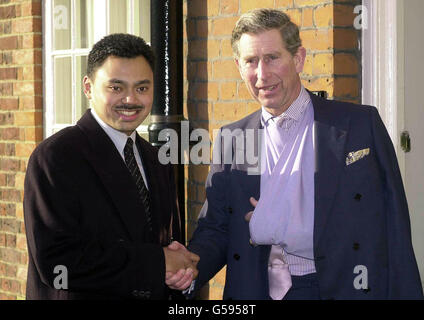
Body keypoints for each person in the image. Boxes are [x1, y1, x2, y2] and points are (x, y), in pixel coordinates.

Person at [177, 9, 423, 299]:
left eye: (272, 58)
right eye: (250, 61)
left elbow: (394, 222)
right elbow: (216, 228)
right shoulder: (233, 139)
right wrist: (187, 267)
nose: (261, 74)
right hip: (259, 291)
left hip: (341, 287)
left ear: (298, 59)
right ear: (238, 66)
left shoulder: (359, 125)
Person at [24, 33, 198, 300]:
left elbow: (166, 247)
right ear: (88, 87)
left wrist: (180, 276)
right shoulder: (56, 157)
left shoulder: (156, 159)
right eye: (116, 88)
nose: (130, 100)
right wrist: (158, 263)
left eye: (142, 88)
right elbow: (58, 265)